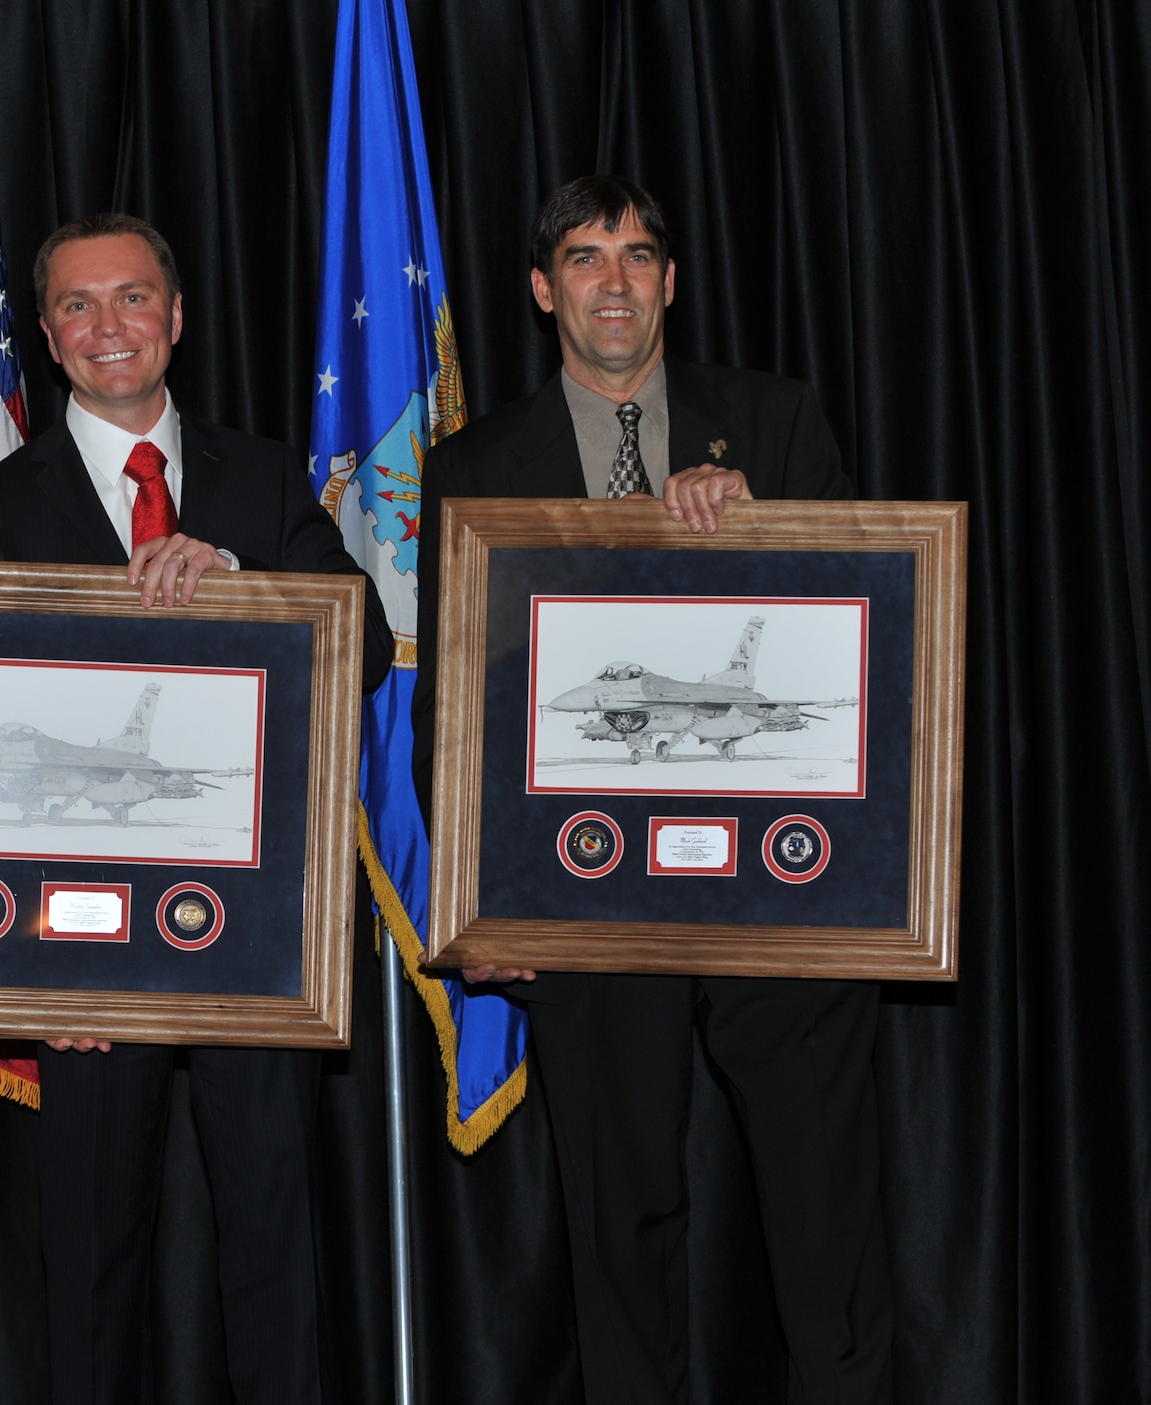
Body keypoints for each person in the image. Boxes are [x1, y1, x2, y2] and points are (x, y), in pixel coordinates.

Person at [413, 177, 892, 1403]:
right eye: (583, 258)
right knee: (618, 1221)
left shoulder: (773, 424)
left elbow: (865, 635)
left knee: (821, 1212)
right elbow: (453, 707)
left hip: (780, 888)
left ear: (670, 281)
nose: (613, 282)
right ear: (542, 290)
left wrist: (765, 531)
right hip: (580, 894)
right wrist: (480, 900)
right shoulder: (473, 464)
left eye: (635, 256)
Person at [0, 213, 392, 1405]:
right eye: (77, 306)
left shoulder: (262, 476)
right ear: (47, 336)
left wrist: (243, 581)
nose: (108, 326)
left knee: (273, 1251)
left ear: (176, 317)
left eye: (132, 297)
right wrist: (33, 973)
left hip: (255, 928)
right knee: (90, 1271)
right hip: (83, 949)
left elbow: (365, 645)